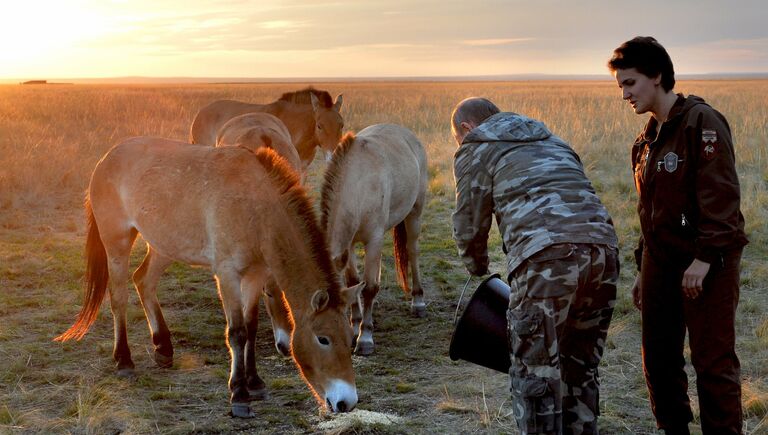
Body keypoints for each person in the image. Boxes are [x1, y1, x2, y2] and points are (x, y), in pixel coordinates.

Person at [451, 97, 619, 435]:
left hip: (547, 261)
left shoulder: (477, 146)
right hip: (604, 253)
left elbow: (469, 223)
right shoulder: (552, 139)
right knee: (580, 368)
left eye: (458, 137)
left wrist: (477, 265)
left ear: (467, 128)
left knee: (535, 377)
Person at [607, 36, 748, 435]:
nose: (625, 95)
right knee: (659, 361)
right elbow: (650, 211)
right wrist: (641, 268)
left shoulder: (702, 122)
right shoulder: (647, 140)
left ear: (657, 76)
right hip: (660, 262)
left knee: (712, 363)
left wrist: (703, 259)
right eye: (621, 86)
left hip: (708, 262)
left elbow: (722, 199)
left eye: (630, 83)